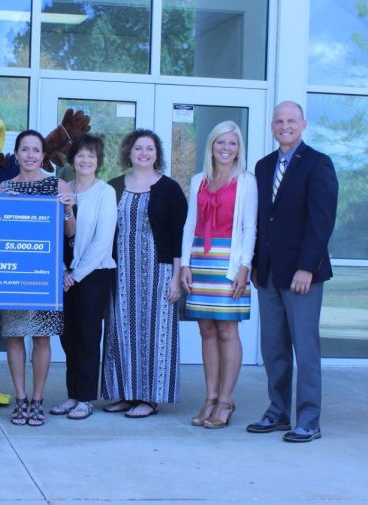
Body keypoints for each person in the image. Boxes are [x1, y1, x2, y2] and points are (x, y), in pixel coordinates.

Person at [247, 101, 338, 443]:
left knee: (305, 346)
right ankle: (278, 411)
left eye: (291, 120)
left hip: (303, 274)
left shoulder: (318, 164)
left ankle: (309, 419)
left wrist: (306, 268)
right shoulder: (263, 165)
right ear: (272, 127)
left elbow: (321, 221)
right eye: (279, 121)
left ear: (303, 124)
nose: (284, 125)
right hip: (268, 272)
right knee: (273, 346)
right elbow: (260, 220)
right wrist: (256, 263)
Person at [102, 129, 187, 418]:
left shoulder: (170, 189)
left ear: (157, 153)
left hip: (159, 270)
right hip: (121, 272)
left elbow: (178, 237)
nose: (143, 153)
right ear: (129, 152)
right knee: (120, 332)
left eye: (149, 149)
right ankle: (125, 393)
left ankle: (149, 398)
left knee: (154, 334)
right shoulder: (113, 186)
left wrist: (177, 277)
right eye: (138, 148)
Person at [179, 121, 257, 429]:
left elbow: (250, 227)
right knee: (206, 331)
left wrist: (244, 266)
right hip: (201, 259)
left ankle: (226, 401)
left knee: (227, 331)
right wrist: (185, 264)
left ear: (239, 149)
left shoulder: (246, 181)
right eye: (221, 143)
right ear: (211, 146)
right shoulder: (199, 179)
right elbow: (190, 225)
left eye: (232, 143)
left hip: (229, 261)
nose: (226, 148)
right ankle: (210, 398)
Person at [0, 130, 76, 427]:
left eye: (36, 150)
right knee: (15, 337)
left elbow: (70, 233)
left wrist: (67, 209)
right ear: (15, 154)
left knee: (42, 338)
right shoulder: (3, 189)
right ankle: (20, 400)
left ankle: (38, 400)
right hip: (14, 274)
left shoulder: (57, 184)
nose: (30, 155)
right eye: (24, 149)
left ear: (44, 155)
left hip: (45, 274)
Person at [49, 134, 116, 421]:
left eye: (91, 155)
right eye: (81, 155)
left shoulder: (105, 192)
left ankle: (86, 398)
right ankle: (73, 394)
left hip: (93, 274)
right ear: (72, 159)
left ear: (98, 161)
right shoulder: (65, 189)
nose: (86, 160)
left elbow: (103, 241)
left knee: (88, 337)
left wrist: (75, 274)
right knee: (68, 338)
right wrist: (63, 270)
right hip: (66, 274)